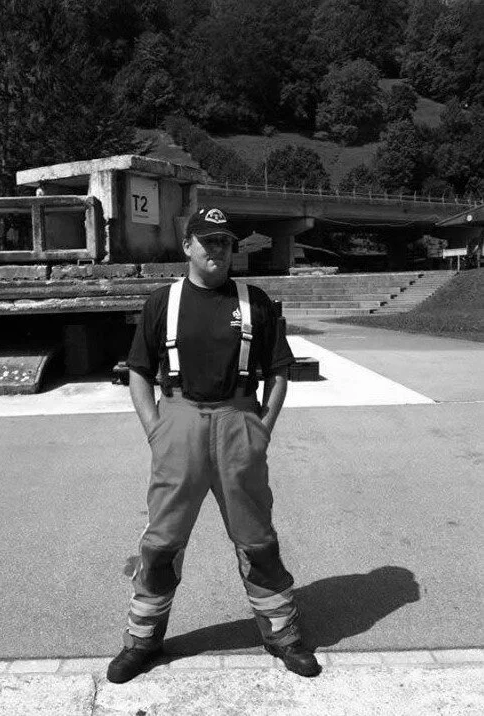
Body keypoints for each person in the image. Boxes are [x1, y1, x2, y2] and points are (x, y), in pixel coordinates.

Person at [107, 207, 321, 683]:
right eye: (208, 241)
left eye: (225, 241)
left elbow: (279, 372)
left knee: (257, 539)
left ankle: (282, 635)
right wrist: (156, 430)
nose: (217, 249)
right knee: (162, 542)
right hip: (178, 423)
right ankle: (142, 640)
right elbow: (139, 372)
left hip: (238, 423)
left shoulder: (255, 301)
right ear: (188, 246)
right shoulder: (162, 302)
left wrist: (262, 429)